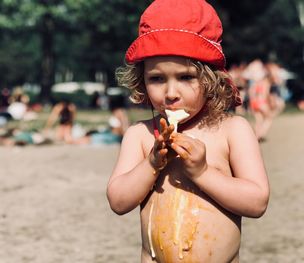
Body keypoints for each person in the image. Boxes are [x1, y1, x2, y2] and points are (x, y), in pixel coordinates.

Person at [106, 1, 269, 262]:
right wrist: (151, 164)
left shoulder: (232, 130)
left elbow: (257, 202)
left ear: (211, 79)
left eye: (186, 77)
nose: (171, 93)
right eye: (157, 79)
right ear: (141, 80)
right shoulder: (140, 135)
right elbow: (118, 201)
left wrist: (202, 172)